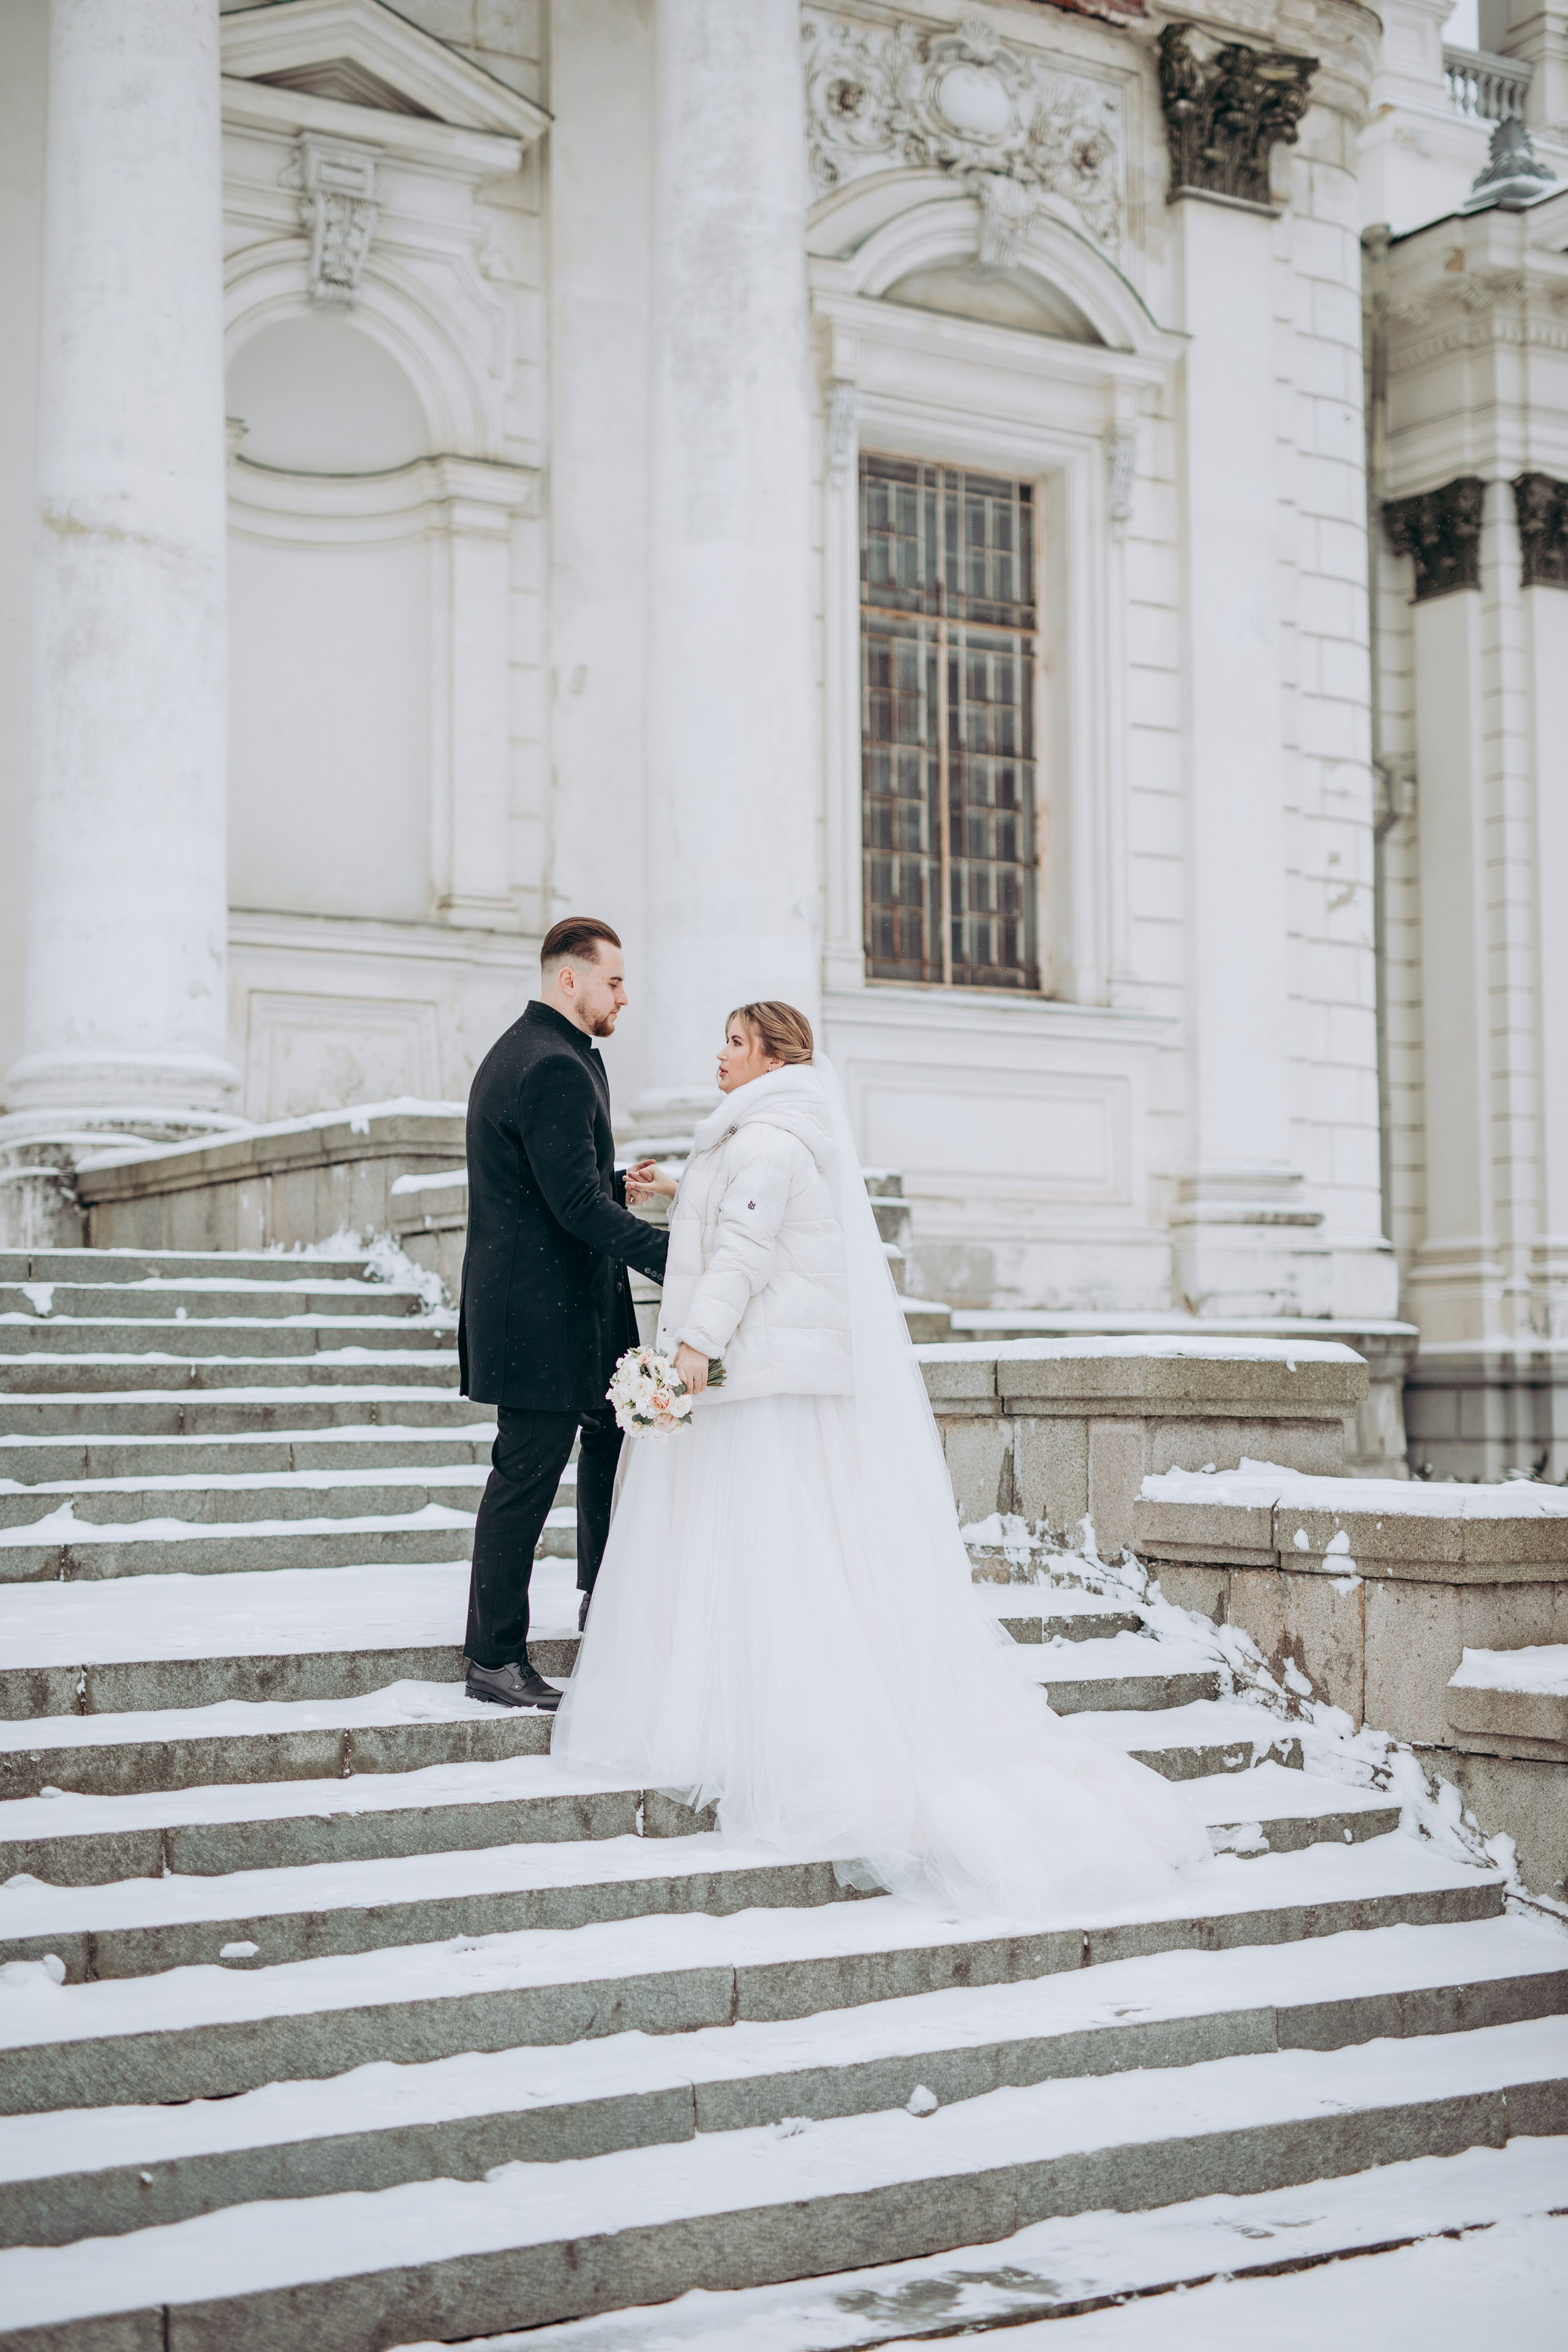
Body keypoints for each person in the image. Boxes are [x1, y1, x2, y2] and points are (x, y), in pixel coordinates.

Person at [553, 1000, 1210, 1916]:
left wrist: (692, 1347)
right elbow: (743, 1221)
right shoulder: (770, 1134)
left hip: (761, 1380)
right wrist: (674, 1192)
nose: (719, 1053)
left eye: (735, 1042)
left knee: (771, 1557)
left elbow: (742, 1254)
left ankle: (786, 1733)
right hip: (777, 1377)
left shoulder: (767, 1142)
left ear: (775, 1055)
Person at [458, 918, 668, 1711]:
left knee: (612, 1439)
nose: (624, 997)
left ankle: (601, 1607)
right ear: (568, 980)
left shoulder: (553, 1054)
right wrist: (669, 1256)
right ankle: (495, 1659)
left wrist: (617, 1185)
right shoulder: (550, 1064)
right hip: (538, 1319)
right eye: (613, 982)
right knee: (524, 1480)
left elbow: (558, 1183)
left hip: (566, 1310)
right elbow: (573, 1205)